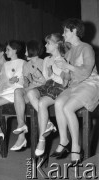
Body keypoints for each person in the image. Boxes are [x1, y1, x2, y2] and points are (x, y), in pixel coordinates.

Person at [52, 18, 99, 166]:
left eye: (65, 30)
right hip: (74, 86)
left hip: (90, 83)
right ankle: (64, 139)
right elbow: (67, 76)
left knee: (67, 107)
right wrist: (61, 70)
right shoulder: (69, 51)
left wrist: (68, 66)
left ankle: (75, 148)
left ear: (74, 31)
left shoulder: (87, 48)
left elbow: (85, 72)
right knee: (58, 102)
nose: (63, 33)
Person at [26, 34, 69, 161]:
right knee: (30, 93)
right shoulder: (46, 60)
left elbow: (65, 81)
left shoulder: (64, 59)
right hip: (48, 86)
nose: (45, 45)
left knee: (42, 103)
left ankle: (41, 139)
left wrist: (53, 74)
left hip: (60, 87)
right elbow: (46, 80)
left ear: (57, 45)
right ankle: (49, 123)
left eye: (48, 43)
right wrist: (38, 76)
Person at [11, 40, 56, 151]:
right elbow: (26, 83)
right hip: (32, 89)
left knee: (30, 92)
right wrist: (22, 81)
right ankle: (21, 124)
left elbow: (46, 81)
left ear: (32, 50)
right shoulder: (26, 65)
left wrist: (33, 84)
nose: (25, 52)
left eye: (26, 49)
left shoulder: (43, 62)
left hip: (43, 91)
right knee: (17, 91)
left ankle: (48, 122)